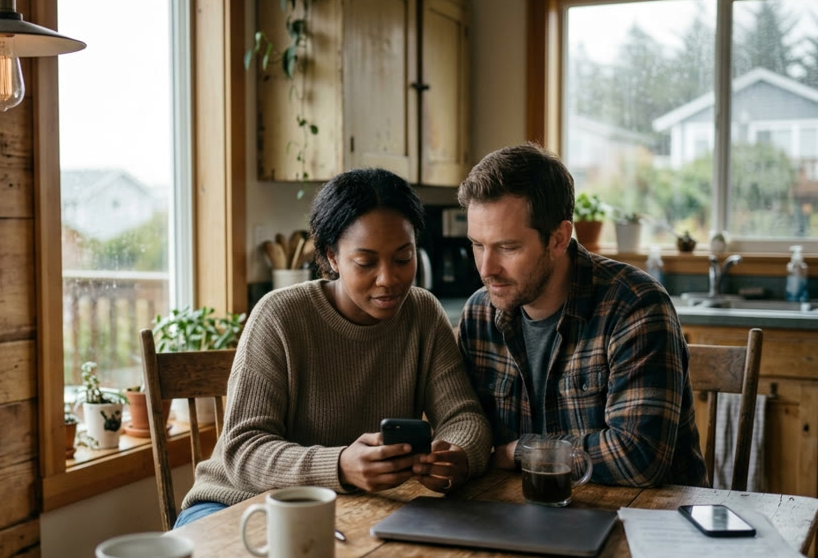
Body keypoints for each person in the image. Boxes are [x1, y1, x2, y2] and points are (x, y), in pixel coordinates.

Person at [175, 168, 492, 528]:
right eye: (366, 262)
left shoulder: (422, 313)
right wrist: (340, 465)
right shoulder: (280, 316)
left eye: (403, 258)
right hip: (234, 504)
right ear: (332, 256)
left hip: (349, 512)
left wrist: (456, 455)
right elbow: (243, 450)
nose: (388, 279)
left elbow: (464, 417)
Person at [455, 143, 706, 487]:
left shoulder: (634, 306)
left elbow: (638, 458)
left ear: (559, 238)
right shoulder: (479, 314)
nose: (487, 268)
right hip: (520, 514)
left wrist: (521, 451)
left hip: (646, 522)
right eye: (478, 245)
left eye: (507, 247)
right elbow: (469, 430)